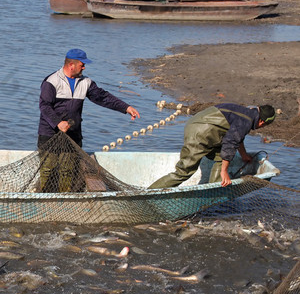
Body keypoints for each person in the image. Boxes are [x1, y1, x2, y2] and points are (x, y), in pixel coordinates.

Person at [38, 48, 140, 192]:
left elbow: (103, 97)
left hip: (73, 135)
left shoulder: (86, 82)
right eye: (82, 64)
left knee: (68, 171)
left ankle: (65, 199)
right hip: (49, 134)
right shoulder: (51, 81)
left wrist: (125, 107)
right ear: (71, 65)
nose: (84, 67)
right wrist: (58, 122)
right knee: (48, 169)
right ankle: (44, 199)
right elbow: (44, 106)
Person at [148, 103, 276, 189]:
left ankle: (214, 189)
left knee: (222, 158)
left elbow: (237, 138)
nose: (261, 127)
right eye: (264, 126)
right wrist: (224, 171)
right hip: (200, 134)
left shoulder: (247, 113)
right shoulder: (247, 121)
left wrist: (243, 155)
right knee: (184, 172)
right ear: (262, 121)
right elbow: (231, 142)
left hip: (202, 128)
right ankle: (148, 194)